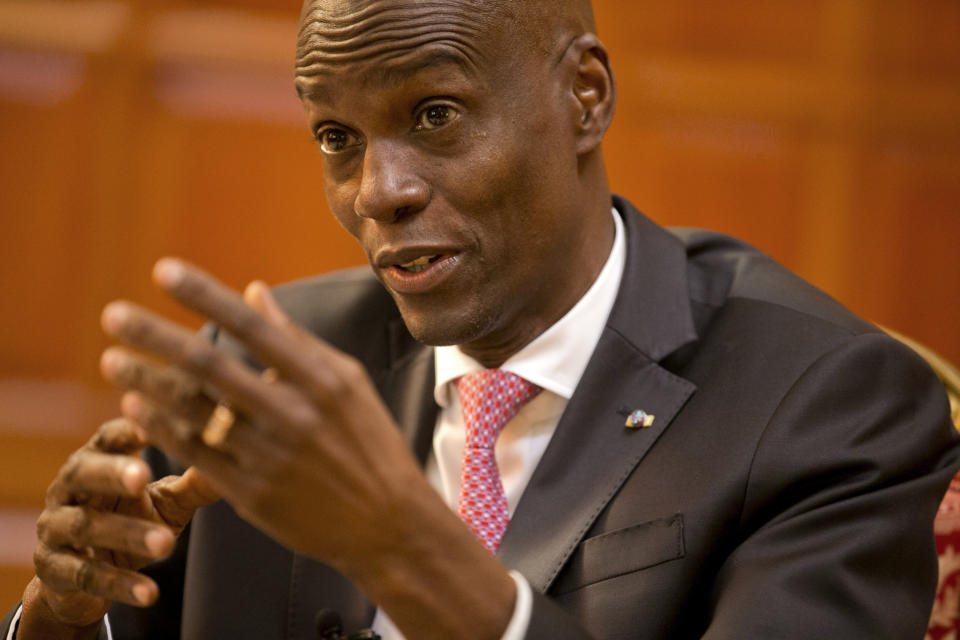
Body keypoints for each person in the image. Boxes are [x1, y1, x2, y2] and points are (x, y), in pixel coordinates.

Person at [4, 0, 960, 638]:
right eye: (338, 137)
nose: (379, 192)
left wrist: (399, 544)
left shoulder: (828, 403)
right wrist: (63, 611)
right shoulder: (273, 366)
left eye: (434, 116)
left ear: (584, 96)